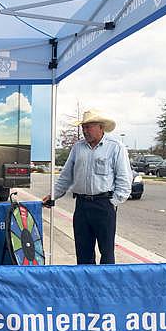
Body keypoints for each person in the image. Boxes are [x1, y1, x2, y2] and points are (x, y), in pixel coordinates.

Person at [42, 110, 131, 265]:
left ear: (101, 127)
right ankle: (85, 286)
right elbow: (66, 176)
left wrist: (113, 202)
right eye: (84, 127)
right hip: (82, 205)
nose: (85, 131)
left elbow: (124, 178)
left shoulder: (115, 147)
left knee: (107, 251)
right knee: (83, 251)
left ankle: (104, 286)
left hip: (104, 204)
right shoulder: (78, 148)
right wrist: (53, 195)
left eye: (89, 127)